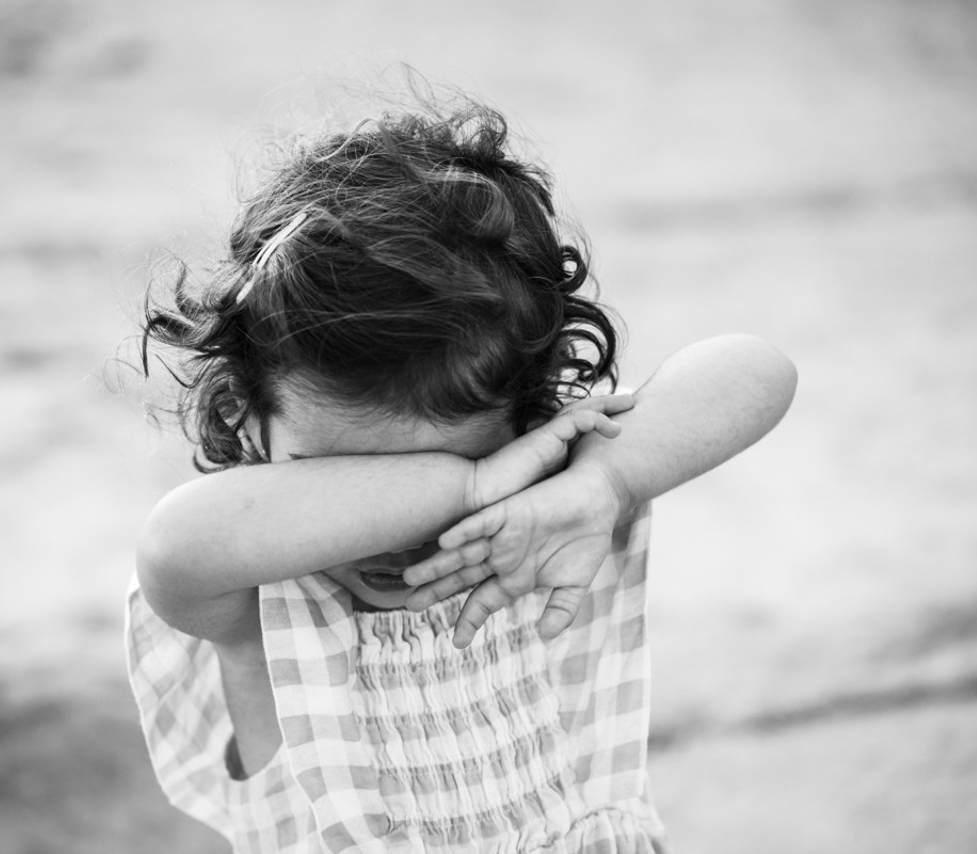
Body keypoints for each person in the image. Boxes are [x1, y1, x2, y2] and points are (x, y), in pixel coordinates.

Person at [126, 85, 797, 853]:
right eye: (345, 481)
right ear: (246, 419)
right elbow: (173, 547)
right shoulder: (258, 606)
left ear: (527, 425)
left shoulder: (557, 513)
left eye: (460, 462)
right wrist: (469, 484)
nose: (401, 535)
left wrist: (603, 482)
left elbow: (757, 370)